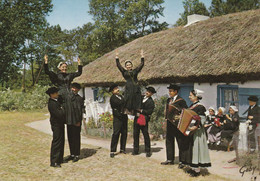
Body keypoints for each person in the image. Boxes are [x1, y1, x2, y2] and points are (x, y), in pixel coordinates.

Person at [44, 55, 83, 125]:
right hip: (61, 92)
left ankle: (74, 120)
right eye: (63, 67)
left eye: (65, 67)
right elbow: (47, 71)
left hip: (69, 92)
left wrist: (79, 63)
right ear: (59, 68)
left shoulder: (69, 75)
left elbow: (79, 73)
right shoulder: (56, 76)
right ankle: (64, 120)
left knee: (75, 101)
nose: (64, 68)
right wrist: (46, 62)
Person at [161, 84, 188, 166]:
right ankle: (170, 159)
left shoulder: (181, 100)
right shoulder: (168, 100)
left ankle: (182, 161)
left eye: (171, 91)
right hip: (169, 123)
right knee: (169, 141)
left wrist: (179, 115)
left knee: (180, 142)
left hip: (177, 124)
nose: (170, 93)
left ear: (176, 91)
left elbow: (185, 111)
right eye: (169, 91)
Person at [186, 89, 211, 177]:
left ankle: (197, 170)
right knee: (192, 149)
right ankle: (193, 167)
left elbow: (202, 119)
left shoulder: (200, 107)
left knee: (197, 149)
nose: (189, 97)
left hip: (197, 132)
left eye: (191, 95)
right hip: (191, 131)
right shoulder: (192, 106)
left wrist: (196, 126)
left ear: (196, 96)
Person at [115, 50, 144, 115]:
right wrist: (117, 57)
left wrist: (142, 56)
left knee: (136, 98)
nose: (128, 66)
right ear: (125, 66)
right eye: (127, 65)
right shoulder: (124, 72)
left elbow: (141, 64)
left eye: (130, 64)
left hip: (135, 86)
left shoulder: (135, 71)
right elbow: (118, 65)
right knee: (128, 98)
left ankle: (137, 111)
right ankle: (127, 111)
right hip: (128, 86)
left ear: (132, 65)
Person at [64, 83, 85, 163]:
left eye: (75, 88)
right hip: (69, 121)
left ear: (78, 89)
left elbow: (81, 111)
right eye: (72, 88)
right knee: (70, 138)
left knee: (76, 138)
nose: (73, 89)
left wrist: (79, 121)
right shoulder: (68, 97)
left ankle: (76, 154)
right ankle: (72, 154)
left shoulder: (79, 99)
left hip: (76, 121)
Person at [132, 86, 156, 157]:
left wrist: (141, 110)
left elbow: (150, 111)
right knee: (135, 134)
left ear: (152, 94)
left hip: (144, 119)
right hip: (137, 118)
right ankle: (136, 150)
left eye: (149, 92)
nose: (147, 92)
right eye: (147, 91)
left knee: (145, 134)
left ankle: (148, 150)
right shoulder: (141, 97)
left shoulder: (151, 102)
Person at [46, 87, 65, 168]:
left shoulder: (57, 101)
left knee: (61, 141)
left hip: (60, 123)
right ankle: (54, 161)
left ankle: (60, 158)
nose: (57, 94)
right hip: (56, 124)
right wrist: (63, 110)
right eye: (56, 93)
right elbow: (59, 114)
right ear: (52, 94)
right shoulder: (51, 103)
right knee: (56, 142)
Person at [109, 84, 128, 158]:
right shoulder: (113, 98)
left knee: (124, 133)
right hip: (117, 118)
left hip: (124, 117)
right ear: (113, 91)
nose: (118, 90)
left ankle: (122, 148)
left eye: (117, 88)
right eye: (116, 89)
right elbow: (119, 105)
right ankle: (113, 150)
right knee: (116, 133)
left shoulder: (121, 97)